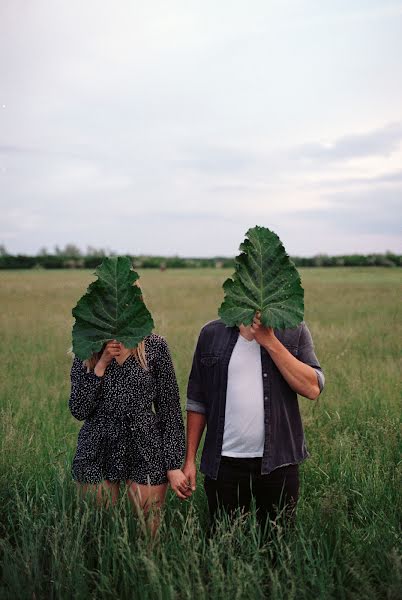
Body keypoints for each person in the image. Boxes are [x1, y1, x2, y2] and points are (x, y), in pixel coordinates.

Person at [182, 312, 325, 532]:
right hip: (224, 466)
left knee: (277, 547)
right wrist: (189, 459)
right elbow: (197, 401)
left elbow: (313, 388)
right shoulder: (211, 333)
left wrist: (269, 341)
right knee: (223, 546)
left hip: (279, 464)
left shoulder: (293, 329)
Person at [68, 333, 189, 535]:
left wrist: (173, 464)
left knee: (149, 529)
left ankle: (147, 567)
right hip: (97, 443)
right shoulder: (86, 344)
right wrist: (101, 365)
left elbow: (169, 408)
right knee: (99, 529)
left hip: (145, 443)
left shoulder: (154, 345)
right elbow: (79, 409)